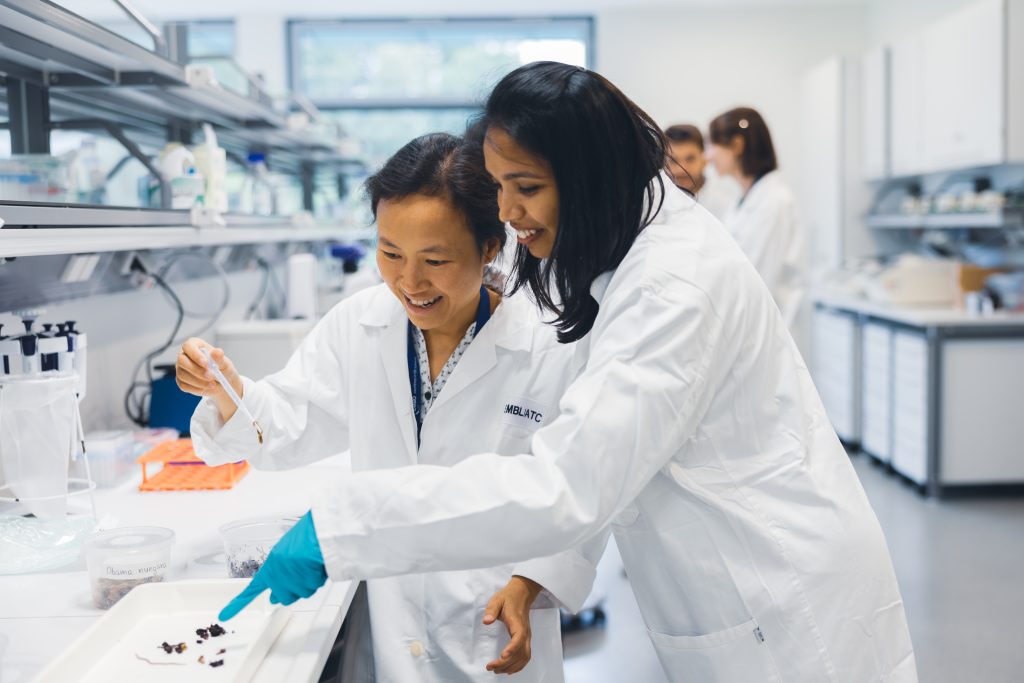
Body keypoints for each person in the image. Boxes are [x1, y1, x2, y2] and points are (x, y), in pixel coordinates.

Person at [220, 63, 918, 683]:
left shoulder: (673, 285)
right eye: (497, 185)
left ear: (589, 178)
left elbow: (570, 482)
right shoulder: (621, 246)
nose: (506, 212)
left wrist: (343, 526)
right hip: (733, 587)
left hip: (779, 602)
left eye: (525, 187)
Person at [177, 133, 606, 682]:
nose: (409, 282)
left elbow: (589, 487)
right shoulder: (360, 324)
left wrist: (533, 582)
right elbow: (288, 421)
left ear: (490, 247)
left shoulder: (549, 344)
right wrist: (227, 392)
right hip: (392, 628)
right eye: (390, 253)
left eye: (435, 259)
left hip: (493, 626)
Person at [707, 107, 805, 329]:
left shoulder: (775, 201)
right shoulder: (742, 201)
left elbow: (758, 277)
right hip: (750, 321)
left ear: (737, 145)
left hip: (768, 325)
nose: (708, 156)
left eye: (712, 145)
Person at [664, 123, 736, 220]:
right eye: (673, 161)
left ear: (705, 159)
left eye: (690, 159)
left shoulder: (727, 204)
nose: (681, 169)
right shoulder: (655, 203)